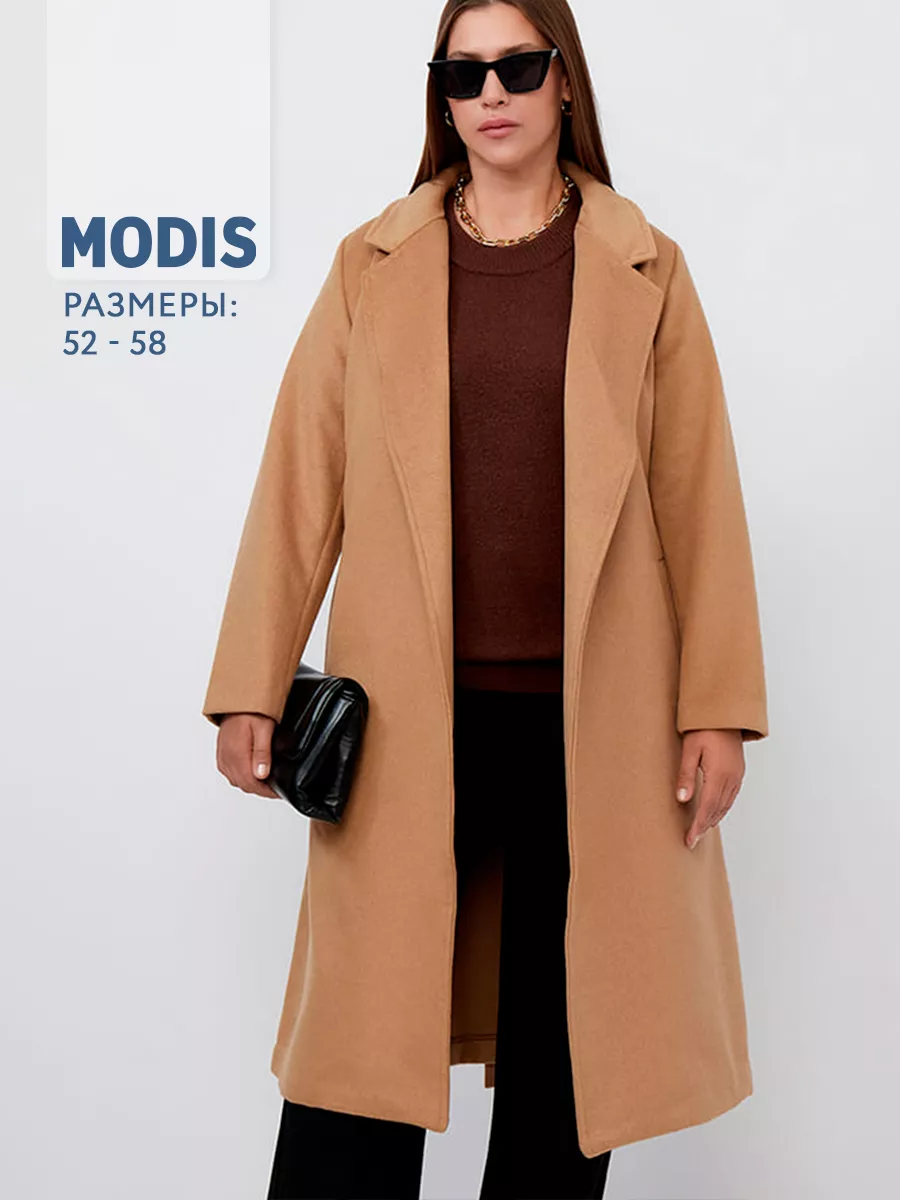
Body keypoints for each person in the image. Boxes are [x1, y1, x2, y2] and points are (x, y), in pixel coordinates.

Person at [202, 2, 769, 1197]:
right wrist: (250, 681)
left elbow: (698, 497)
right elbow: (301, 483)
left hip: (594, 721)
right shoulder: (373, 264)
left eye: (516, 65)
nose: (491, 93)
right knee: (357, 1067)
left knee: (568, 1064)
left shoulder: (643, 265)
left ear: (564, 81)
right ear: (442, 97)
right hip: (408, 716)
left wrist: (716, 707)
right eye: (464, 74)